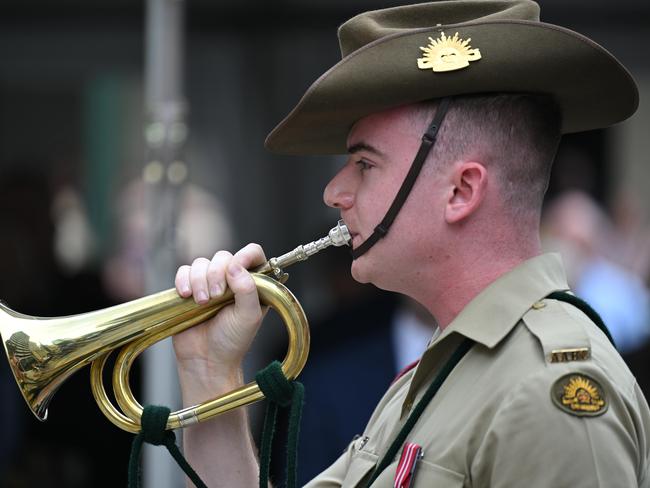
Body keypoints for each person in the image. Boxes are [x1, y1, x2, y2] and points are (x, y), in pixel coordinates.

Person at [171, 0, 650, 486]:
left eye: (364, 164)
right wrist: (211, 375)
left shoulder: (549, 389)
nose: (334, 191)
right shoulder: (443, 366)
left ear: (461, 191)